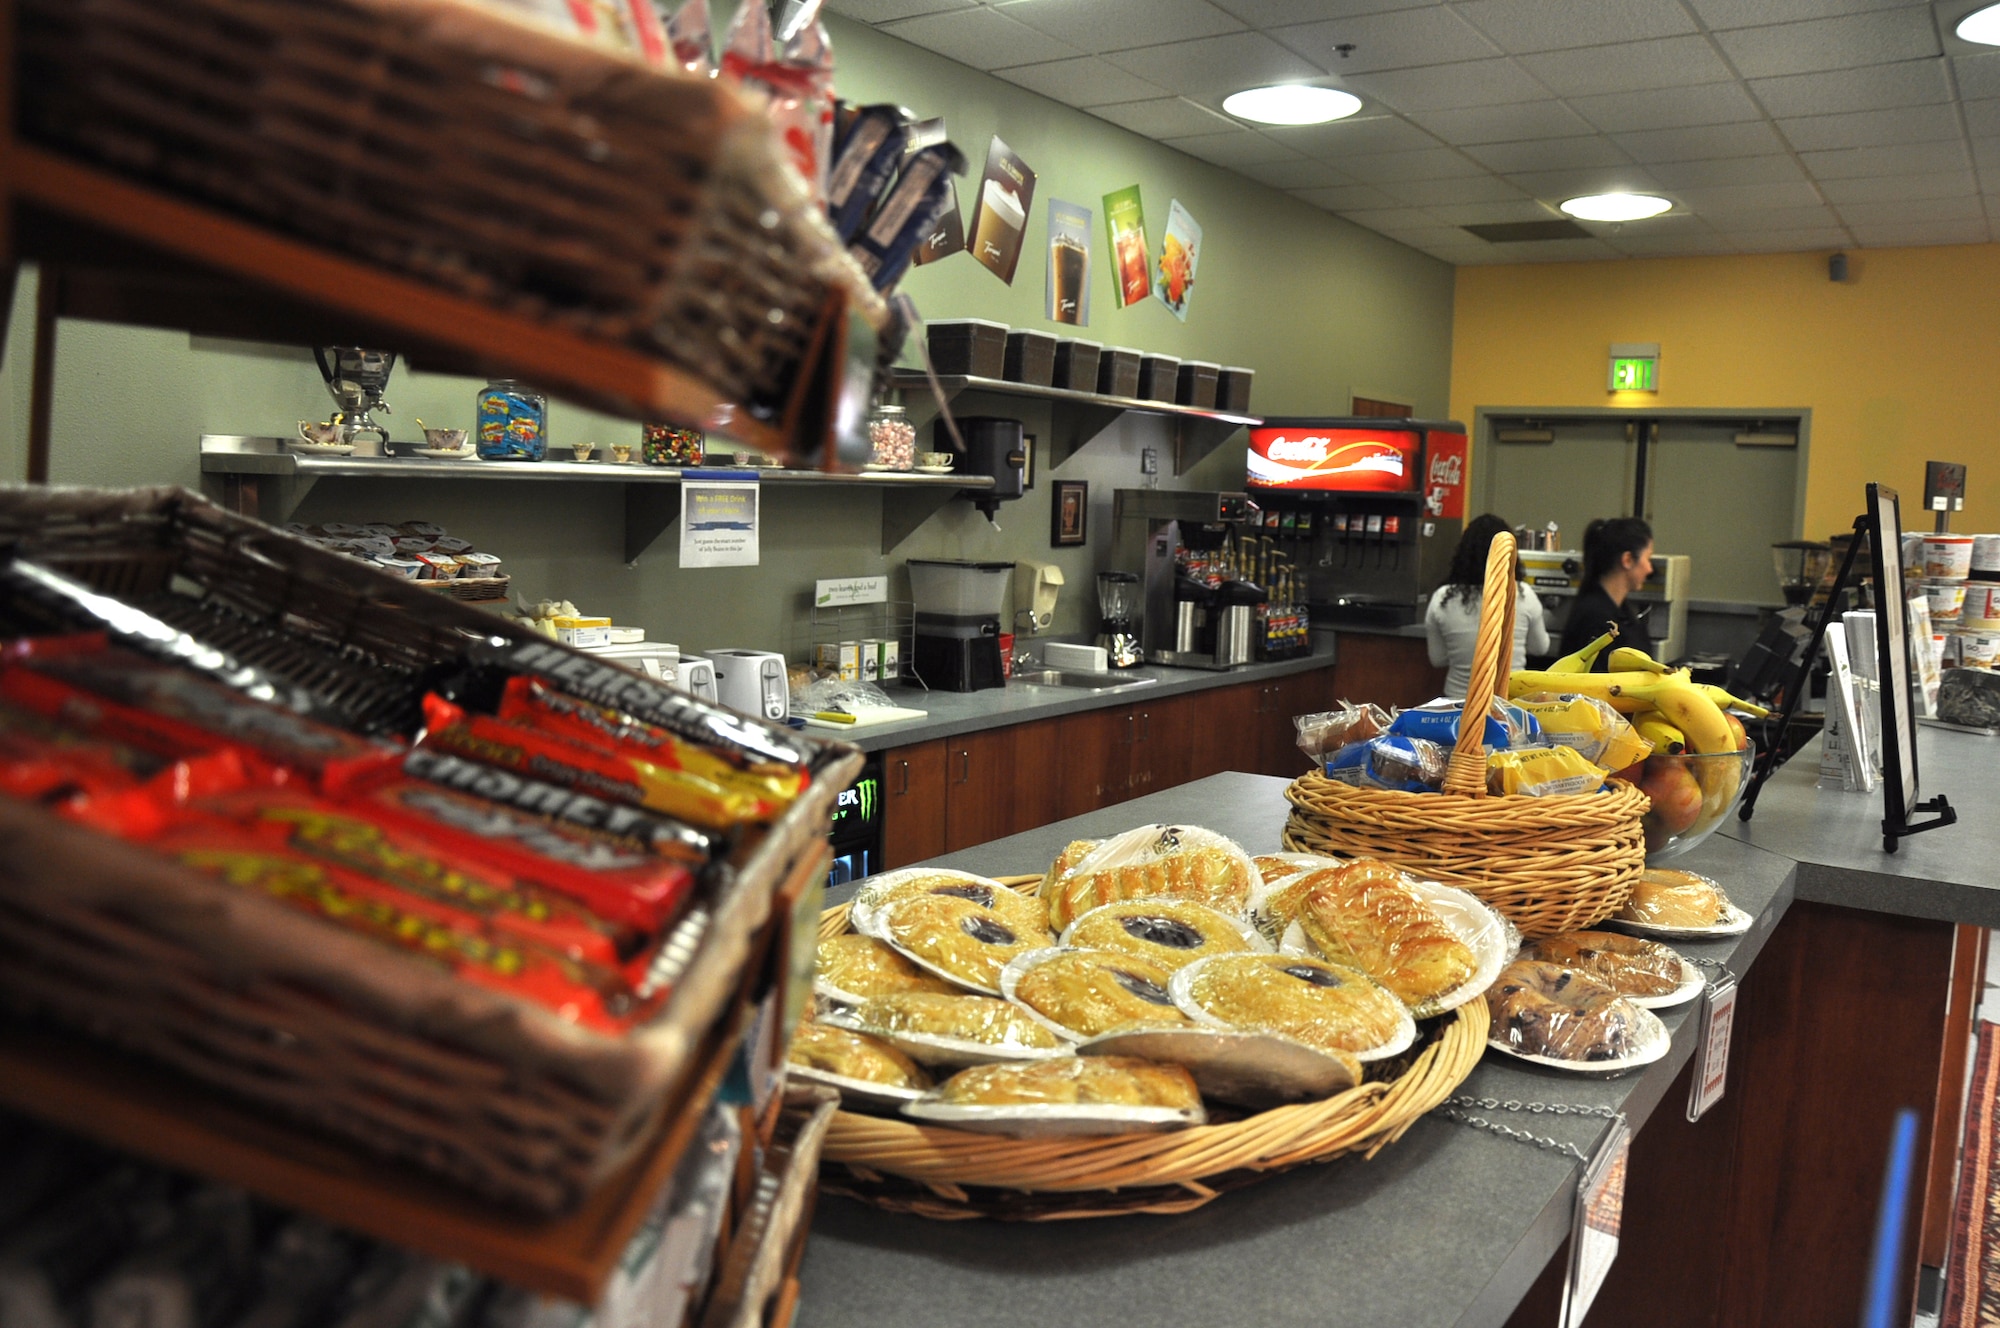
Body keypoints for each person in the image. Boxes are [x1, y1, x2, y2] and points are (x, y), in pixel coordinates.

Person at [1426, 514, 1549, 699]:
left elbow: (1438, 659)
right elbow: (1541, 648)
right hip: (1509, 701)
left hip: (1458, 704)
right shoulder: (1522, 593)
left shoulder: (1442, 598)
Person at [1557, 516, 1655, 668]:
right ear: (1628, 560)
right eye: (1648, 558)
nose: (1650, 569)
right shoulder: (1595, 620)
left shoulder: (1620, 612)